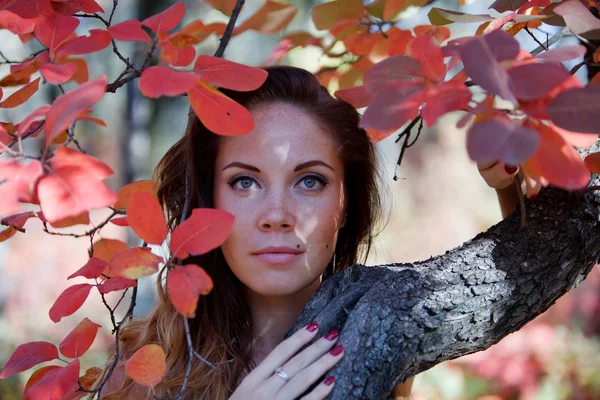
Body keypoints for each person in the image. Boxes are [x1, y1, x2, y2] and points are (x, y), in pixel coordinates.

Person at [95, 66, 521, 399]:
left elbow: (532, 267)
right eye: (244, 182)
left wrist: (513, 185)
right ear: (209, 202)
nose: (277, 215)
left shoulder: (376, 332)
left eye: (310, 181)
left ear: (345, 203)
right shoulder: (141, 372)